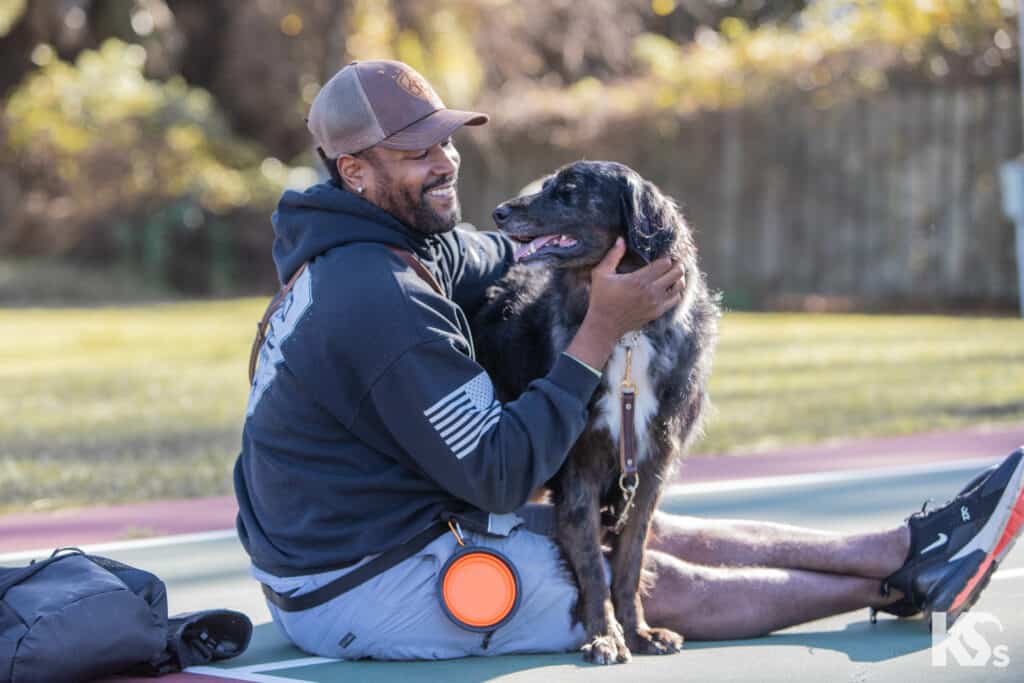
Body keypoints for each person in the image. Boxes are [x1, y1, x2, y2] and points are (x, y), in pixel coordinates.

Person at [233, 60, 1024, 661]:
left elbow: (492, 251)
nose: (444, 161)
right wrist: (599, 329)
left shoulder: (390, 245)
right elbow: (504, 472)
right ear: (355, 173)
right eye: (415, 152)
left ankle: (898, 547)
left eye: (444, 139)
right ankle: (904, 582)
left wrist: (571, 240)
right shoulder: (378, 297)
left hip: (370, 536)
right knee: (634, 578)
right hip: (363, 579)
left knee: (641, 530)